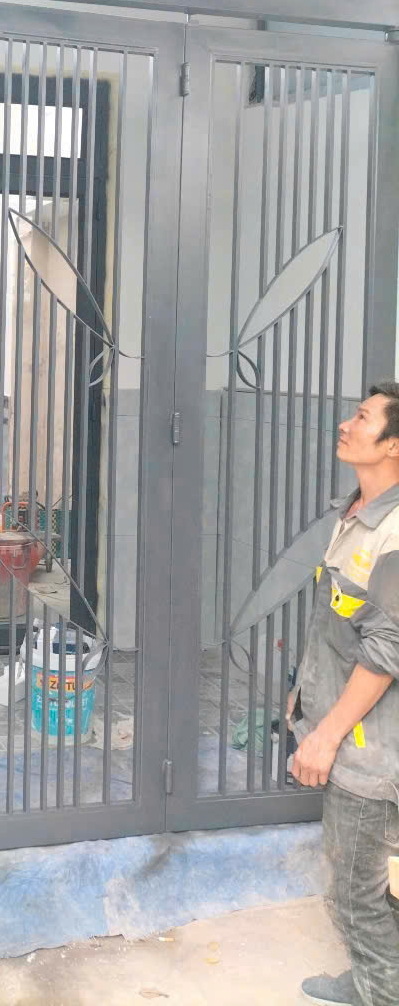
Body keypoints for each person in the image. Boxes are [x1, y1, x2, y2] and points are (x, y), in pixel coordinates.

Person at [291, 384, 399, 1006]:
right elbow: (339, 624)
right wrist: (302, 700)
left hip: (371, 752)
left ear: (393, 444)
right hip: (354, 732)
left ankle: (379, 990)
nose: (346, 424)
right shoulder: (354, 513)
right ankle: (372, 981)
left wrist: (325, 738)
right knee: (375, 886)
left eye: (362, 417)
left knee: (356, 896)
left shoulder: (393, 534)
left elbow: (387, 650)